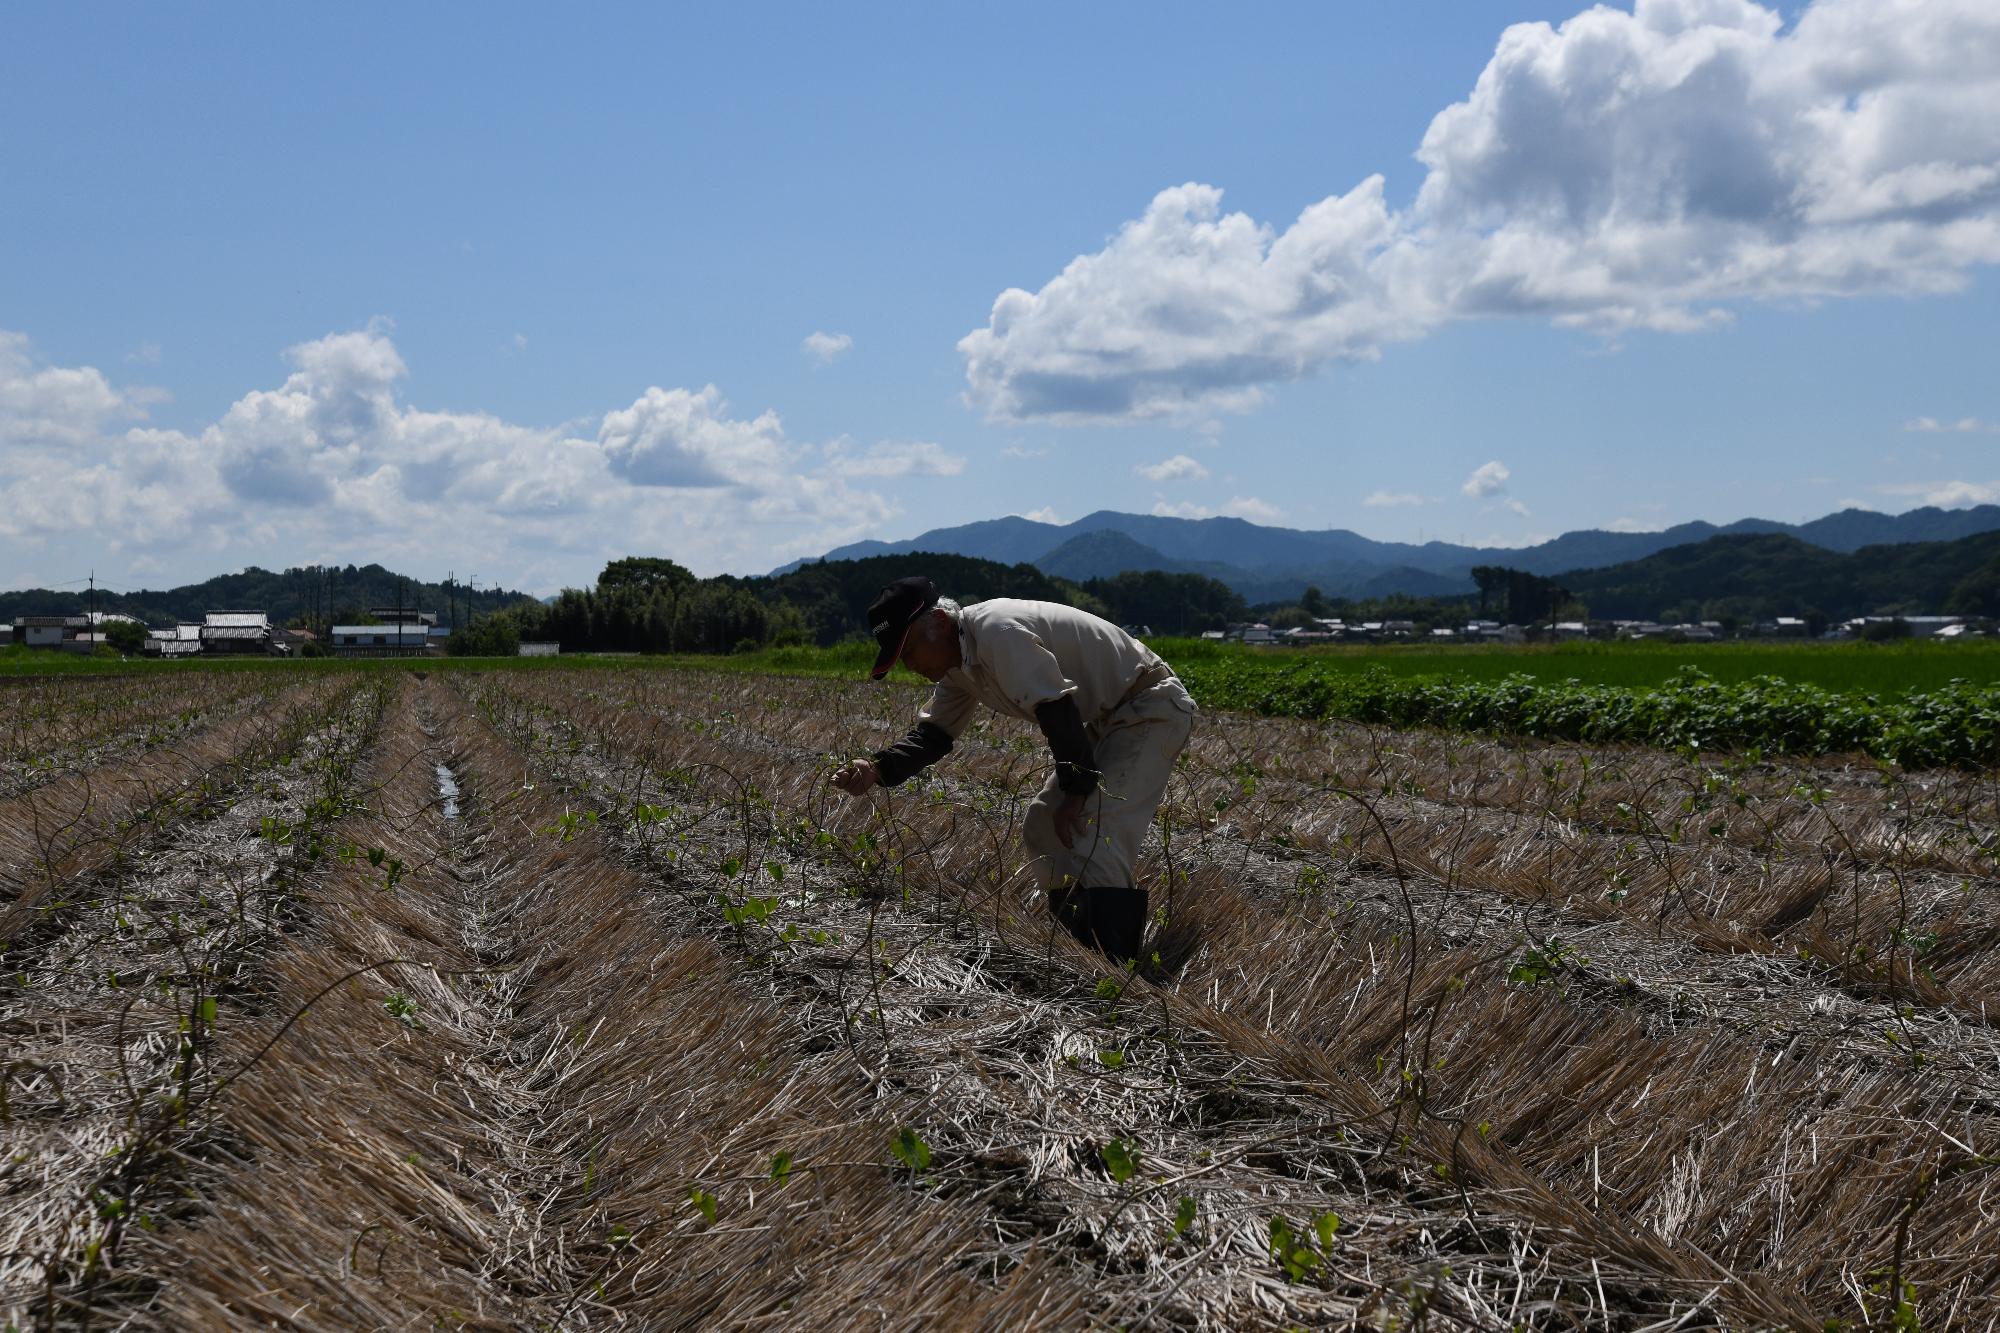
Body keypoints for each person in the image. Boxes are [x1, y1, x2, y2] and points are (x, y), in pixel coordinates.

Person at [830, 575, 1196, 964]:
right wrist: (877, 769)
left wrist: (1075, 794)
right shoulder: (958, 667)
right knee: (1043, 823)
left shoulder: (997, 631)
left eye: (909, 650)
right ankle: (1076, 948)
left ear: (937, 623)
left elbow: (1055, 708)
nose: (910, 664)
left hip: (1148, 706)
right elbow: (935, 734)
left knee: (1096, 831)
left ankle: (1113, 973)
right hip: (1104, 719)